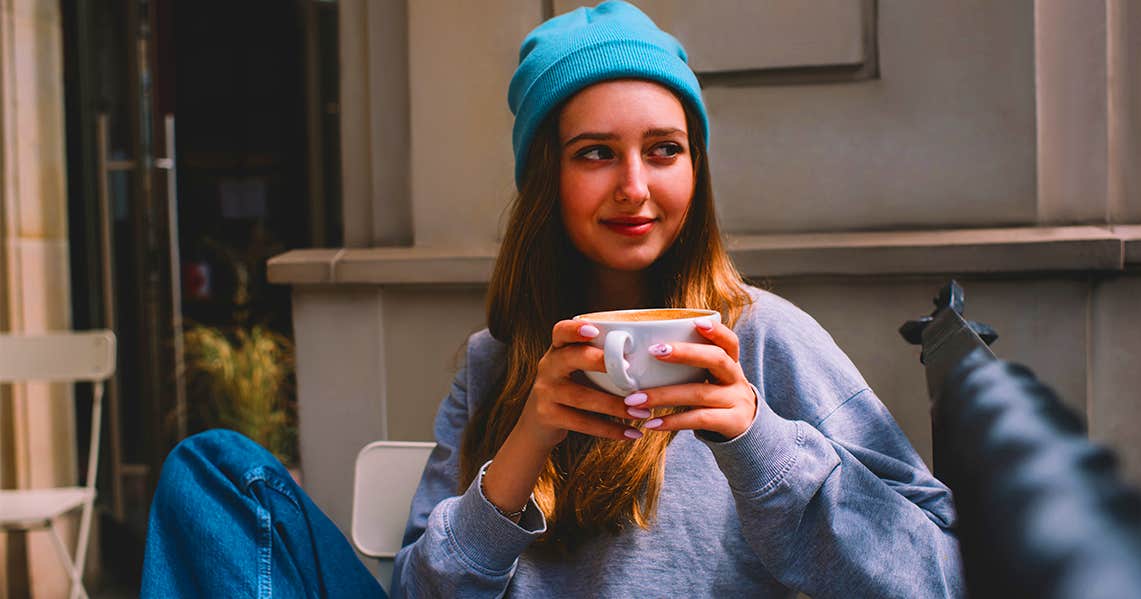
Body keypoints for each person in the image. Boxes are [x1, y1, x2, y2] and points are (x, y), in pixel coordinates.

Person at [141, 2, 963, 597]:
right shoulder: (496, 361)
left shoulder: (763, 340)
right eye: (596, 153)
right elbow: (423, 592)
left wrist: (755, 434)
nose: (635, 187)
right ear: (547, 180)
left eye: (665, 150)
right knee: (213, 473)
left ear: (695, 171)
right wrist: (526, 442)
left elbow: (938, 576)